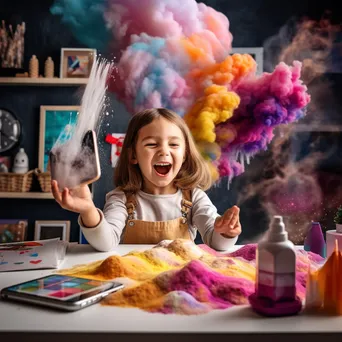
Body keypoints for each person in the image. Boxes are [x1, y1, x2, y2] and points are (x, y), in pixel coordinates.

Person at [51, 108, 242, 252]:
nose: (164, 151)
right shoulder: (121, 199)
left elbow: (216, 242)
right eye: (152, 144)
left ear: (184, 155)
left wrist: (225, 232)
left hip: (180, 284)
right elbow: (106, 243)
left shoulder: (195, 197)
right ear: (133, 155)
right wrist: (88, 210)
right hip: (133, 283)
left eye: (174, 144)